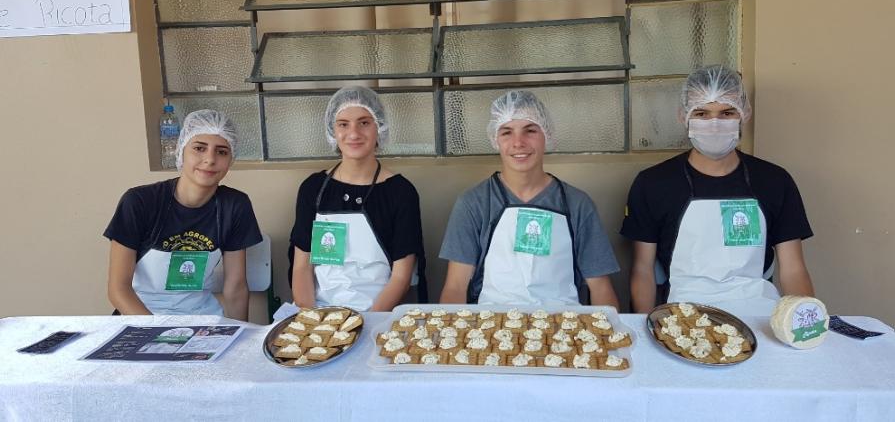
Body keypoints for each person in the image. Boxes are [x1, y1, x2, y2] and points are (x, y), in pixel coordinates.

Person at [623, 65, 815, 316]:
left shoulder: (774, 181)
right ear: (684, 116)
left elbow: (793, 270)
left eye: (726, 113)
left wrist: (803, 321)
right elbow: (642, 270)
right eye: (701, 113)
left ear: (744, 114)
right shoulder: (653, 183)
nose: (714, 124)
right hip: (681, 316)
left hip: (758, 314)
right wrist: (647, 326)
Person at [439, 90, 621, 307]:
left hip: (564, 327)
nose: (518, 142)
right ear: (495, 139)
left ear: (547, 135)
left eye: (530, 130)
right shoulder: (473, 204)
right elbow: (455, 287)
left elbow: (600, 288)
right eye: (507, 132)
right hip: (491, 326)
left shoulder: (578, 204)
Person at [105, 109, 262, 319]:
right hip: (140, 318)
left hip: (201, 318)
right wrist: (159, 334)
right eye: (199, 148)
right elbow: (119, 290)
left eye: (222, 151)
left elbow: (235, 288)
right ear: (181, 150)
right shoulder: (140, 202)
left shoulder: (234, 205)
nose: (210, 159)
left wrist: (240, 338)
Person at [288, 86, 426, 312]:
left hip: (378, 313)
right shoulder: (313, 189)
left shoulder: (401, 192)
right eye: (343, 124)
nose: (353, 134)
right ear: (332, 130)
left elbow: (402, 276)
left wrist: (367, 322)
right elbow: (301, 267)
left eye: (364, 122)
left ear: (379, 128)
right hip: (318, 311)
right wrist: (312, 317)